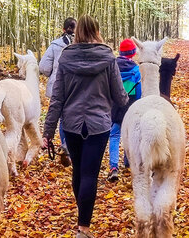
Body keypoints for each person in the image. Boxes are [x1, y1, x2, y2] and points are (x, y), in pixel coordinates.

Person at [42, 14, 128, 238]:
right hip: (98, 125)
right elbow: (119, 96)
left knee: (79, 171)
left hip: (71, 124)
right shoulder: (108, 58)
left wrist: (48, 132)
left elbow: (57, 98)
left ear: (77, 31)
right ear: (97, 31)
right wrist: (126, 102)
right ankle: (84, 228)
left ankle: (82, 219)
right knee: (90, 174)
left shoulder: (65, 57)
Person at [39, 17, 77, 167]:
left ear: (63, 29)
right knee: (73, 116)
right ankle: (69, 145)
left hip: (57, 86)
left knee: (61, 117)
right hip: (75, 87)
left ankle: (65, 146)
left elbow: (43, 67)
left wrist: (52, 74)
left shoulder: (55, 45)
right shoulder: (80, 44)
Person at [107, 38, 142, 182]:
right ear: (133, 54)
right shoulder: (136, 70)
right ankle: (128, 161)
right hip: (131, 107)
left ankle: (113, 167)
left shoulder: (112, 66)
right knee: (130, 135)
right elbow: (138, 93)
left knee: (114, 136)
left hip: (115, 107)